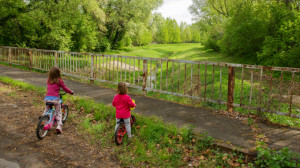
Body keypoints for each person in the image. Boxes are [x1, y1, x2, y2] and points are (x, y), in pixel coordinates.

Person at [43, 67, 73, 133]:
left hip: (47, 98)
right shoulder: (59, 80)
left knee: (46, 110)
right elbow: (65, 88)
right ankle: (59, 126)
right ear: (58, 73)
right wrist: (70, 92)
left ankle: (43, 120)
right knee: (58, 112)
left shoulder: (48, 80)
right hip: (55, 99)